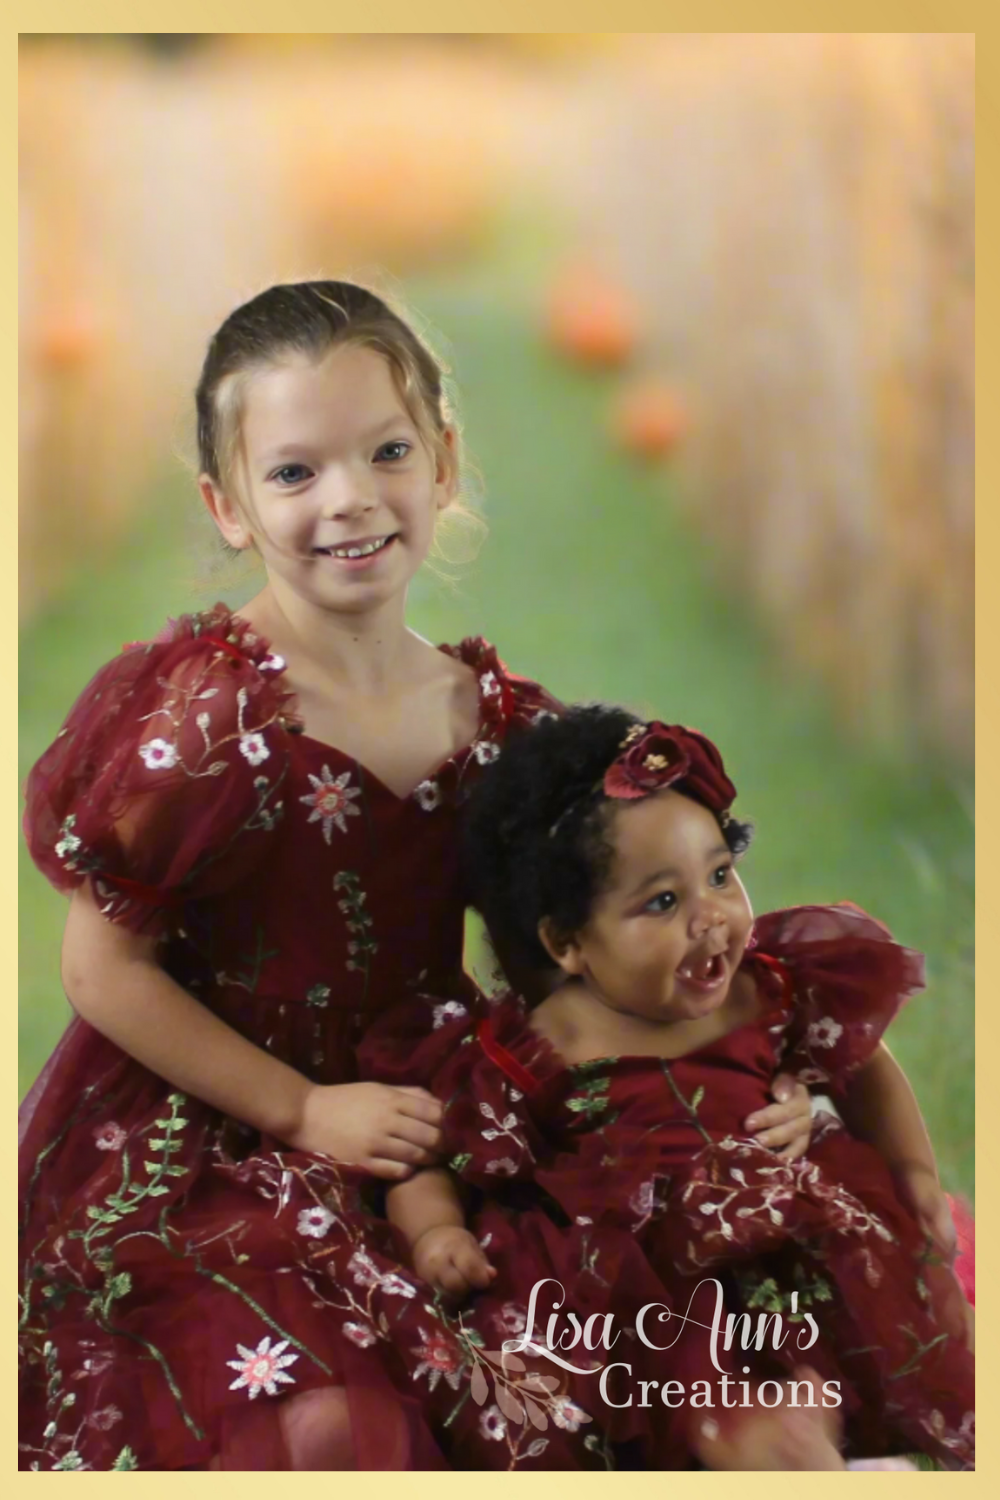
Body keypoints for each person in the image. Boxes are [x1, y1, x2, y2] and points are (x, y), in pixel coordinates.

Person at [18, 281, 815, 1473]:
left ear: (441, 463)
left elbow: (603, 953)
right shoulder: (201, 718)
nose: (348, 499)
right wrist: (300, 1112)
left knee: (641, 1357)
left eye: (386, 451)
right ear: (226, 506)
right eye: (292, 474)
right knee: (331, 1425)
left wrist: (758, 1077)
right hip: (220, 1130)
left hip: (431, 1119)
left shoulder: (498, 725)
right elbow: (101, 966)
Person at [358, 705, 975, 1470]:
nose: (711, 919)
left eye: (719, 875)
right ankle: (764, 1442)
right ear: (568, 943)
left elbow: (866, 1066)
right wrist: (435, 1233)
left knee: (857, 1334)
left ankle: (817, 1427)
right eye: (662, 902)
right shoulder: (543, 1044)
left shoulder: (767, 987)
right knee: (650, 1381)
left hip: (785, 1252)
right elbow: (434, 1151)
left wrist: (913, 1172)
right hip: (636, 1290)